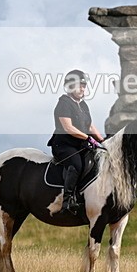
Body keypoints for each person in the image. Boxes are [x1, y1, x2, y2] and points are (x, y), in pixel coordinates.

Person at [47, 70, 105, 215]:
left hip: (80, 145)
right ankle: (67, 201)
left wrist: (103, 141)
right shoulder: (63, 103)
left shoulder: (83, 105)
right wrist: (88, 138)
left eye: (84, 86)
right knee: (76, 164)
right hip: (64, 145)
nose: (82, 89)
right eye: (79, 86)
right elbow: (68, 128)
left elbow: (90, 126)